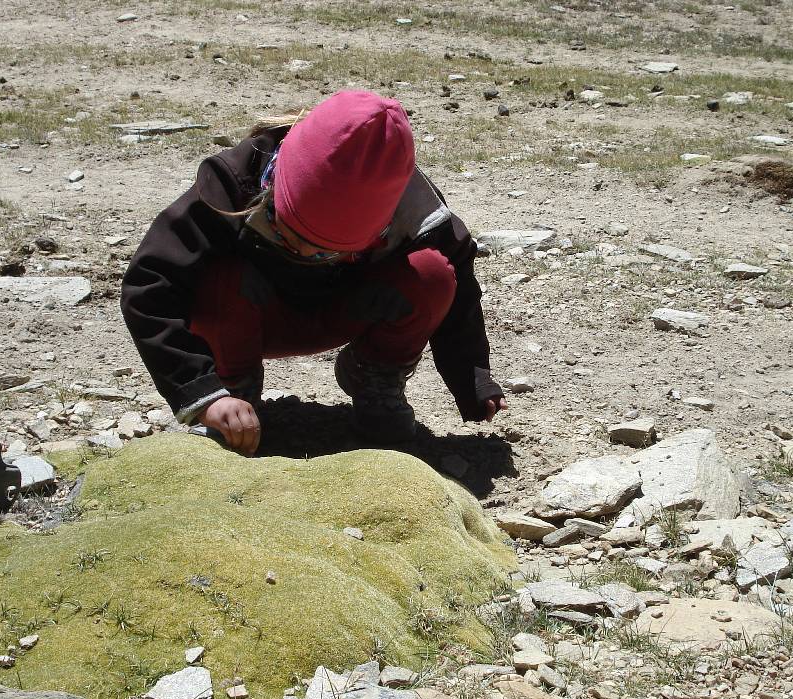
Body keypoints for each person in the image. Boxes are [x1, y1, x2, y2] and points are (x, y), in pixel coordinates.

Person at [121, 90, 508, 454]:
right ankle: (235, 395)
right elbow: (150, 285)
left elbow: (461, 297)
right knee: (214, 275)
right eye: (287, 231)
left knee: (432, 275)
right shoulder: (230, 185)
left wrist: (471, 377)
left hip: (346, 313)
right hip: (249, 320)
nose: (305, 252)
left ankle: (374, 377)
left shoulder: (413, 209)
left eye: (327, 250)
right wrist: (202, 391)